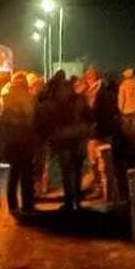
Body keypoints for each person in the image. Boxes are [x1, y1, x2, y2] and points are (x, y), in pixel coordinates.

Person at [39, 71, 88, 211]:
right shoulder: (79, 100)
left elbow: (54, 123)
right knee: (75, 172)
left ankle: (69, 202)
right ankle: (77, 201)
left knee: (67, 172)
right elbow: (89, 118)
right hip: (76, 140)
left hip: (65, 141)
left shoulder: (60, 104)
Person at [0, 71, 41, 214]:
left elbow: (1, 118)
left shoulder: (4, 96)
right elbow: (30, 118)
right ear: (23, 83)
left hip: (10, 140)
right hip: (24, 139)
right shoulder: (24, 96)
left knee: (14, 173)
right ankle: (27, 205)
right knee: (26, 174)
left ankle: (12, 205)